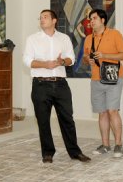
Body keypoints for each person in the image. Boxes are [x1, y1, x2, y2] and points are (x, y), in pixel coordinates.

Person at [23, 9, 91, 163]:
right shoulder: (32, 39)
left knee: (67, 119)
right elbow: (27, 61)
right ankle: (47, 152)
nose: (42, 19)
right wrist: (45, 64)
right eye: (40, 17)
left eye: (45, 17)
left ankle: (75, 152)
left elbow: (71, 59)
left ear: (54, 21)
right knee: (43, 120)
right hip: (40, 84)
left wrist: (61, 62)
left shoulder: (64, 38)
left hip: (60, 84)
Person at [83, 9, 123, 158]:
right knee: (102, 112)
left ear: (103, 20)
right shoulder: (89, 38)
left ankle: (119, 145)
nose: (91, 21)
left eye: (94, 18)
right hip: (96, 78)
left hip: (113, 76)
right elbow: (85, 56)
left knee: (112, 110)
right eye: (90, 19)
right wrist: (87, 60)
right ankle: (105, 145)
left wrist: (105, 55)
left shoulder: (115, 34)